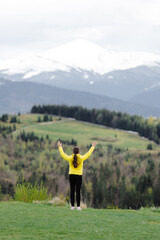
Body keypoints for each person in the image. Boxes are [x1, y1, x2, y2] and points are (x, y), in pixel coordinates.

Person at [57, 141, 97, 210]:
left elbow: (63, 154)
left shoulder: (70, 158)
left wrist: (60, 147)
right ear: (79, 152)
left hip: (71, 175)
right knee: (78, 191)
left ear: (73, 152)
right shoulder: (81, 158)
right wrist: (92, 147)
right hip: (78, 176)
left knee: (72, 191)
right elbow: (88, 154)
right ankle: (78, 206)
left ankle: (72, 206)